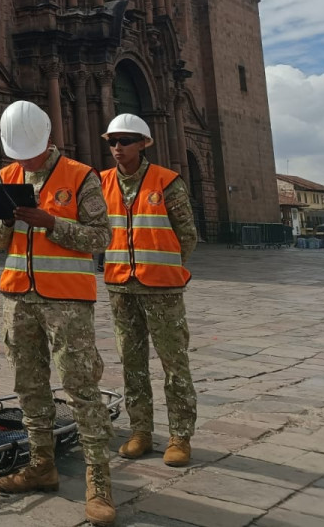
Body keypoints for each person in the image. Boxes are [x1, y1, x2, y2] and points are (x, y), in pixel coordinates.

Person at [0, 100, 114, 527]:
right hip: (19, 300)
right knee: (28, 386)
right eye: (16, 153)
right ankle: (42, 464)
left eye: (29, 152)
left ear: (46, 139)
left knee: (81, 387)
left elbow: (100, 236)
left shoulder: (80, 177)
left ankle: (99, 479)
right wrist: (5, 220)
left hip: (67, 303)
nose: (22, 160)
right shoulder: (5, 178)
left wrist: (50, 222)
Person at [101, 114, 198, 467]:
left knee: (174, 363)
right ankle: (140, 430)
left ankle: (180, 436)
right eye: (112, 141)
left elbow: (187, 234)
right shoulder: (102, 183)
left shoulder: (168, 182)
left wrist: (168, 268)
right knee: (132, 362)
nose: (117, 147)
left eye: (125, 140)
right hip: (121, 287)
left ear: (143, 143)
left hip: (162, 290)